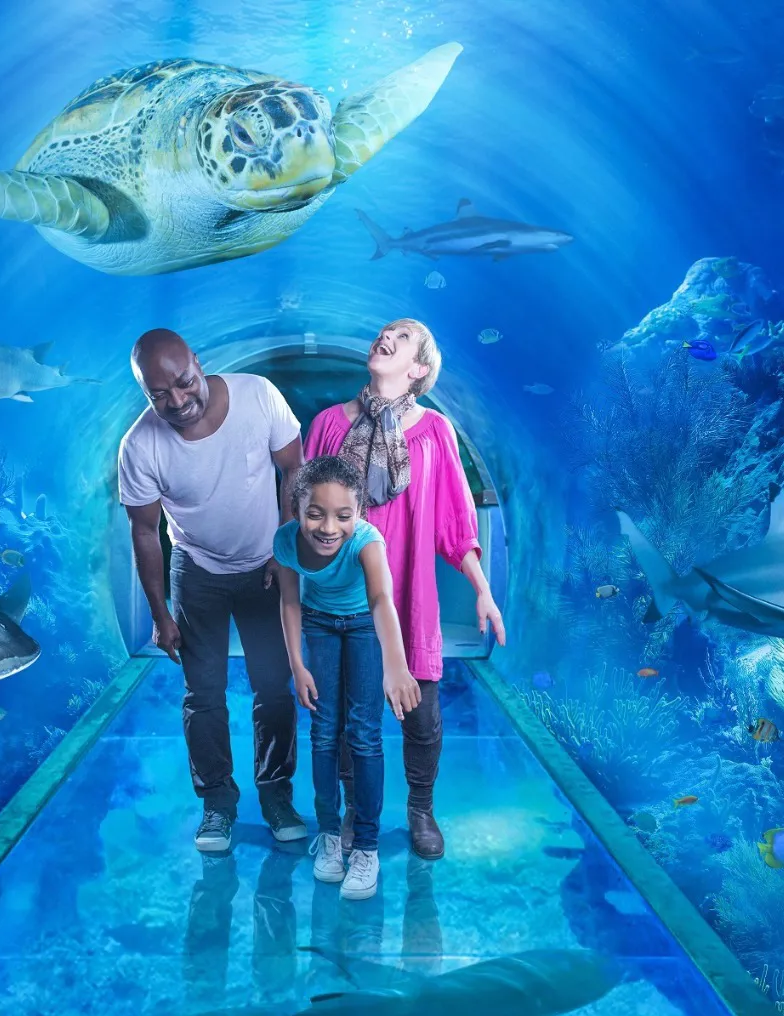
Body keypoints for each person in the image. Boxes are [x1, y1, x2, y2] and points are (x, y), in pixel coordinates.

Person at [305, 318, 506, 859]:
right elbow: (307, 515)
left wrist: (483, 590)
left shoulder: (435, 432)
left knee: (423, 716)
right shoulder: (327, 426)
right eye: (385, 330)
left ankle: (421, 809)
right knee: (349, 720)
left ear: (418, 369)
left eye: (404, 336)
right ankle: (356, 809)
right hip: (343, 598)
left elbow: (455, 524)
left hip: (409, 598)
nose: (386, 336)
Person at [118, 328, 307, 854]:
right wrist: (160, 614)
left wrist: (284, 547)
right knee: (203, 694)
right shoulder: (139, 445)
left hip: (264, 565)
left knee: (274, 688)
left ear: (198, 362)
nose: (177, 401)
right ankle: (217, 803)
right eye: (159, 394)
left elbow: (294, 466)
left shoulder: (258, 395)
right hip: (197, 570)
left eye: (184, 382)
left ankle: (277, 797)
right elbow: (144, 531)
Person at [273, 455, 419, 900]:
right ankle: (330, 836)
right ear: (297, 510)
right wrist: (297, 665)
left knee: (364, 734)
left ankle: (367, 848)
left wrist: (396, 665)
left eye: (343, 515)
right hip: (319, 624)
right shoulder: (286, 541)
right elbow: (290, 602)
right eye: (315, 514)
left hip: (363, 627)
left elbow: (381, 601)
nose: (328, 527)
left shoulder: (367, 542)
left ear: (359, 513)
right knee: (323, 732)